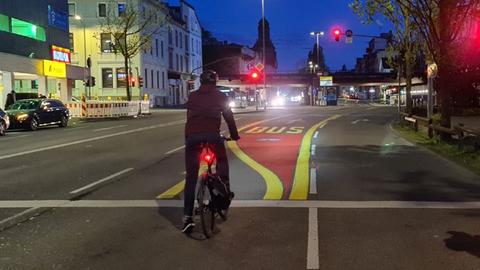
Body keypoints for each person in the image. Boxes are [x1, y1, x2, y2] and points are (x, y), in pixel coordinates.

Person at [182, 70, 240, 233]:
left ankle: (187, 217)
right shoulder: (220, 96)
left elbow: (189, 118)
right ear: (215, 81)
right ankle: (224, 188)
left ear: (201, 81)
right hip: (213, 137)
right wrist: (234, 135)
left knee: (191, 177)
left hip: (192, 138)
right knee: (221, 160)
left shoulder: (193, 96)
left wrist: (188, 139)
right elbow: (229, 117)